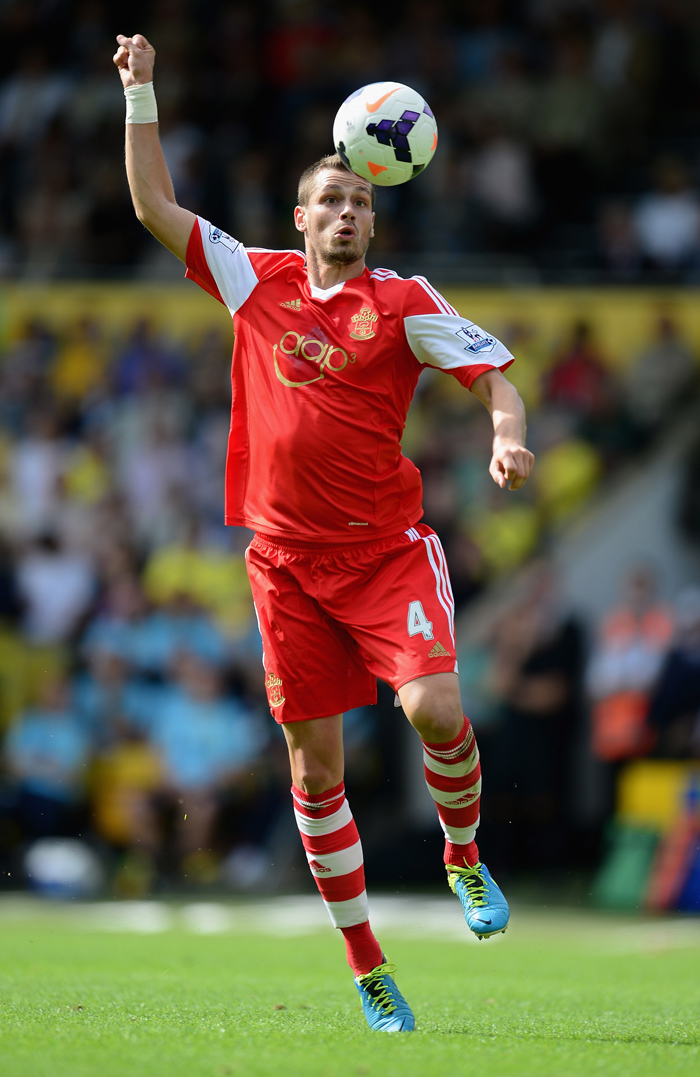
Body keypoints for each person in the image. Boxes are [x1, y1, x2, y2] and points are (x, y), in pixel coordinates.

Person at [113, 33, 534, 1033]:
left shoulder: (403, 304)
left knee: (433, 709)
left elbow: (496, 380)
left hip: (386, 553)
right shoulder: (251, 280)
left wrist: (506, 440)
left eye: (361, 203)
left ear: (377, 219)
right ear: (301, 218)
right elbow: (150, 207)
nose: (347, 213)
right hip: (285, 565)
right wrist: (141, 95)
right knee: (314, 774)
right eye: (330, 201)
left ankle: (463, 856)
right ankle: (367, 965)